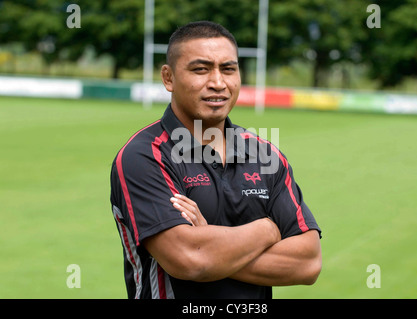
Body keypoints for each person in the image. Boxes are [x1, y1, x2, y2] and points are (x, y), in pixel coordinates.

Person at [110, 21, 322, 299]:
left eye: (228, 69)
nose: (218, 83)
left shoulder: (266, 154)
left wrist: (210, 241)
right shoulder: (144, 156)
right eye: (200, 69)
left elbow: (307, 263)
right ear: (168, 78)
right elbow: (189, 259)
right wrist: (266, 230)